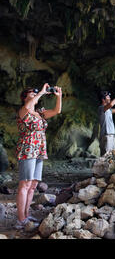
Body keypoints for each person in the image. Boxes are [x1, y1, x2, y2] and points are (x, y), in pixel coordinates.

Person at [15, 83, 62, 229]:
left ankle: (26, 214)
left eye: (35, 92)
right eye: (31, 92)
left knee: (33, 184)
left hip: (39, 149)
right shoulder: (24, 111)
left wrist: (59, 97)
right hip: (28, 148)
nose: (34, 93)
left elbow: (57, 111)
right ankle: (20, 219)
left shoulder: (40, 112)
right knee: (25, 184)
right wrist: (41, 92)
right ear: (24, 97)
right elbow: (29, 107)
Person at [98, 91, 115, 155]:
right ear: (103, 100)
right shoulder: (101, 108)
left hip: (111, 135)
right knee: (106, 156)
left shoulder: (109, 110)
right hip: (106, 135)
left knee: (111, 156)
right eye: (108, 97)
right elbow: (111, 104)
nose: (109, 98)